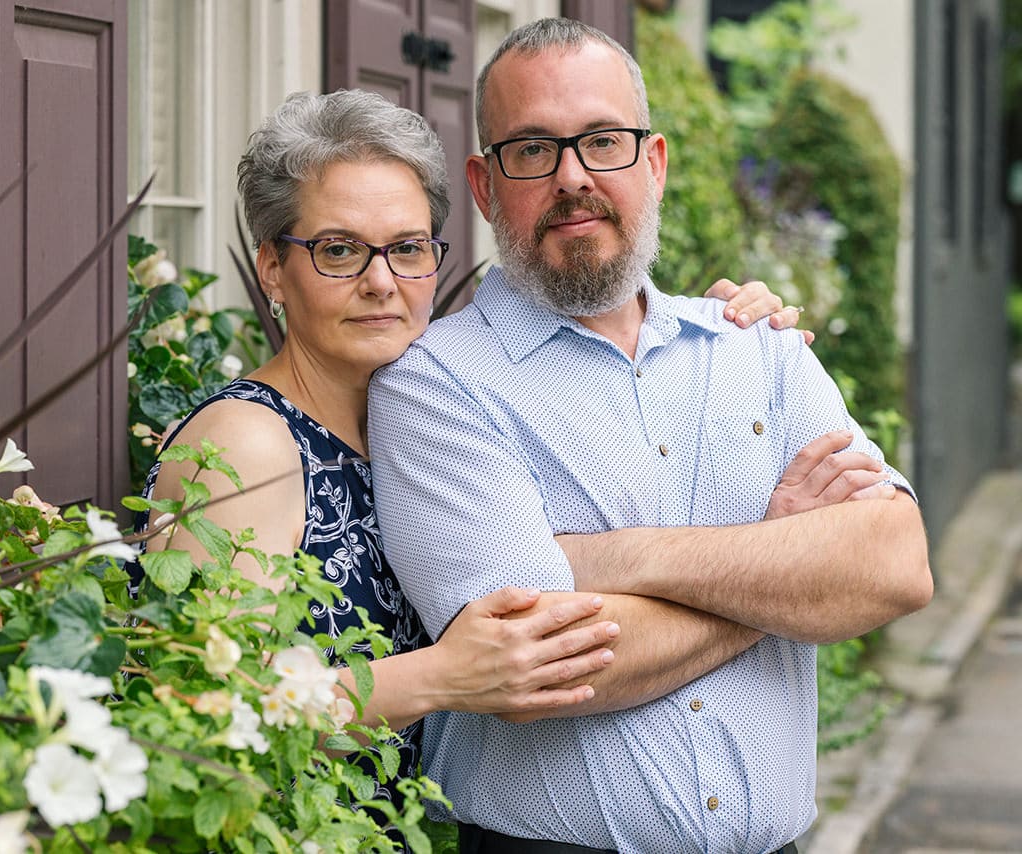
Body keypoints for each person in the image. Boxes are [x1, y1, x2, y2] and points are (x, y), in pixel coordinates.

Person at [129, 88, 809, 815]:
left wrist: (698, 336)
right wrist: (442, 676)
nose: (381, 282)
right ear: (271, 269)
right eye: (338, 251)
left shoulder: (423, 416)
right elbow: (201, 710)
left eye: (408, 249)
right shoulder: (248, 440)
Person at [367, 18, 933, 854]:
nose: (573, 177)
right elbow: (542, 663)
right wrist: (782, 567)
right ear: (485, 187)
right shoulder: (434, 383)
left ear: (655, 163)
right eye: (533, 150)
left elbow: (895, 565)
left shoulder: (761, 347)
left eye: (604, 140)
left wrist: (609, 559)